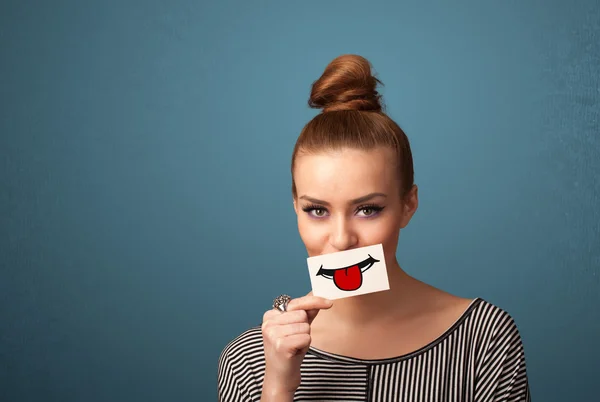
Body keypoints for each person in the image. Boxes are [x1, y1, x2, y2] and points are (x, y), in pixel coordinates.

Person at [217, 54, 531, 402]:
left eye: (367, 209)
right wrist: (278, 386)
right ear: (295, 207)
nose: (341, 240)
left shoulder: (484, 339)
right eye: (317, 210)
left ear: (408, 206)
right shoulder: (249, 361)